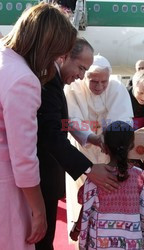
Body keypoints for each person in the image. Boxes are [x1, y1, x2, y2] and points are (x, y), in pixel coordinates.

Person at [0, 2, 77, 249]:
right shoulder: (23, 79)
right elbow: (23, 156)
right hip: (7, 190)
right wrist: (38, 210)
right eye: (59, 53)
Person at [36, 40, 119, 250]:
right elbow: (52, 133)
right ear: (64, 56)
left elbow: (62, 123)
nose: (81, 77)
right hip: (45, 170)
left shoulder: (57, 78)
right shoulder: (50, 80)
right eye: (81, 69)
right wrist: (89, 169)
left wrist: (93, 138)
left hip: (62, 163)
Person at [64, 54, 134, 243]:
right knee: (81, 194)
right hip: (81, 151)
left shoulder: (117, 88)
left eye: (104, 82)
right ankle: (81, 233)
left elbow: (123, 120)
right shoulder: (72, 88)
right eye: (94, 81)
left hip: (107, 152)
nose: (99, 87)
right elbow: (70, 121)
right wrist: (93, 137)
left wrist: (110, 140)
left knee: (108, 194)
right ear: (84, 75)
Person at [70, 121, 144, 249]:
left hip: (99, 242)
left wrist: (76, 229)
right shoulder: (141, 176)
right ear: (132, 146)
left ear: (105, 147)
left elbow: (85, 207)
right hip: (131, 242)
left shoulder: (96, 177)